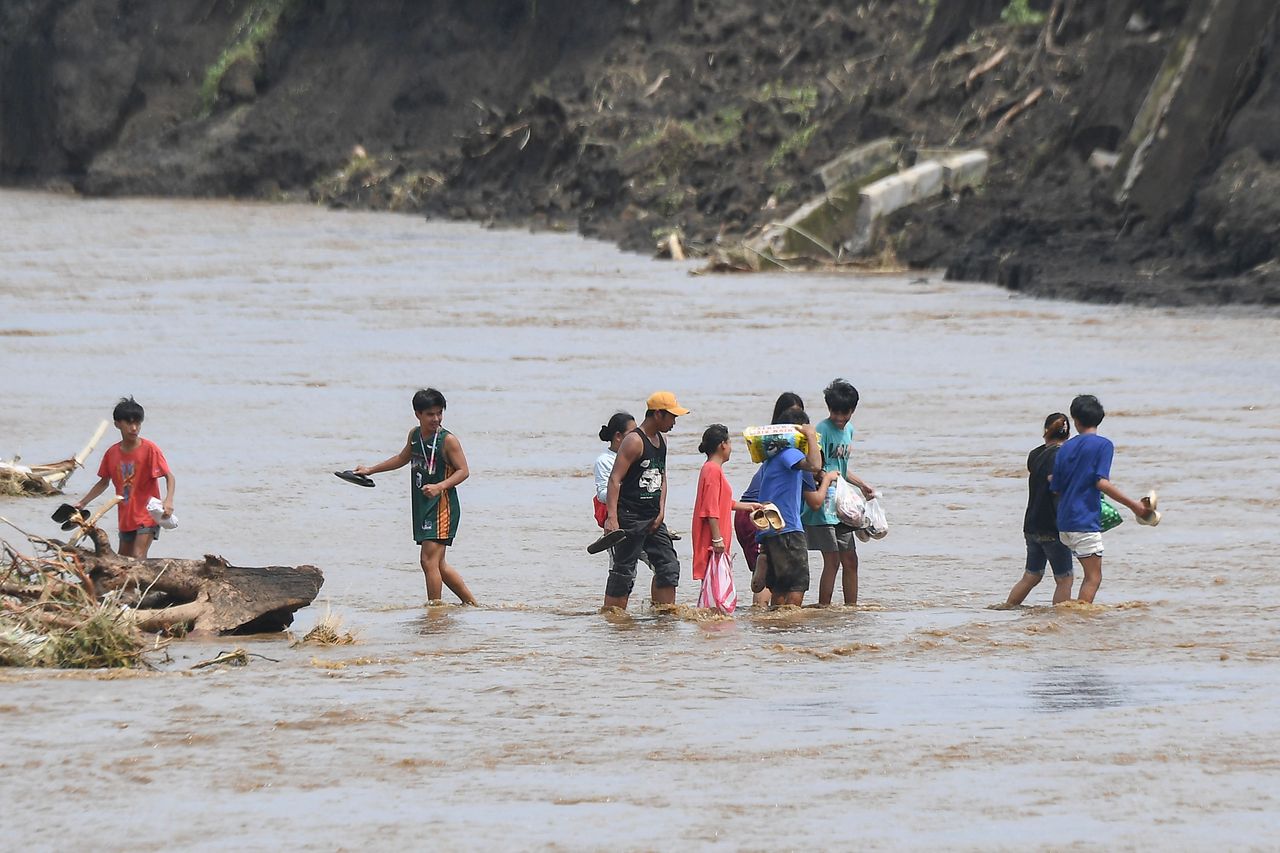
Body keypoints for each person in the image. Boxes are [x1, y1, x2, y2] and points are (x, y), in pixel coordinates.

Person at [355, 388, 477, 605]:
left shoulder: (448, 440)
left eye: (440, 413)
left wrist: (440, 486)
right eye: (430, 414)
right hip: (423, 506)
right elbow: (403, 458)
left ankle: (434, 611)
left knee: (427, 560)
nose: (436, 418)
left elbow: (463, 471)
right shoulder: (415, 435)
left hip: (442, 507)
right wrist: (370, 470)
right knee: (439, 565)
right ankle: (473, 604)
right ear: (417, 414)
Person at [1052, 395, 1160, 604]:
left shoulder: (1065, 448)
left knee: (1071, 578)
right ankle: (1081, 621)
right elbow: (1101, 482)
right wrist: (1136, 507)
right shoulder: (1103, 445)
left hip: (1064, 522)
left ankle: (1068, 620)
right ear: (1100, 418)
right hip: (1084, 521)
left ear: (1075, 420)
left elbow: (1056, 488)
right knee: (1093, 577)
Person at [602, 391, 688, 610]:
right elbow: (614, 479)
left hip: (653, 518)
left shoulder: (662, 440)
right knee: (624, 571)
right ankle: (613, 620)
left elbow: (662, 476)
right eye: (672, 417)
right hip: (630, 517)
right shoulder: (634, 441)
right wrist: (612, 518)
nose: (674, 422)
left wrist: (661, 511)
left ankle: (663, 617)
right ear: (658, 414)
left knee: (668, 565)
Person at [801, 379, 877, 606]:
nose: (839, 418)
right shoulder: (821, 431)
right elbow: (816, 468)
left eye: (844, 413)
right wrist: (826, 479)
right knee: (832, 560)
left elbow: (840, 468)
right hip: (825, 504)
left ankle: (850, 609)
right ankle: (825, 608)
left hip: (843, 505)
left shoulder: (849, 431)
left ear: (853, 410)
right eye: (834, 412)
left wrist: (862, 485)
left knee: (851, 560)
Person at [756, 407, 837, 606]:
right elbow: (815, 466)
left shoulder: (771, 458)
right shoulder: (789, 453)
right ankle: (790, 631)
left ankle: (776, 628)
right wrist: (810, 436)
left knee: (780, 587)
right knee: (795, 586)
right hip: (788, 529)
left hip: (772, 529)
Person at [75, 396, 175, 559]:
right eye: (129, 423)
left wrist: (168, 501)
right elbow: (103, 482)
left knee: (137, 557)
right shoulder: (112, 453)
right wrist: (83, 502)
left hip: (147, 515)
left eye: (138, 423)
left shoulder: (150, 449)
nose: (134, 428)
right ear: (117, 424)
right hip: (126, 517)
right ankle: (135, 586)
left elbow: (169, 477)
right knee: (122, 564)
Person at [735, 392, 804, 606]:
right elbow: (813, 486)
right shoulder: (791, 455)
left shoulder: (772, 452)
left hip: (751, 512)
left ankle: (763, 561)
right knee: (781, 582)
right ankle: (760, 614)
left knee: (772, 577)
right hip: (760, 513)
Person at [1005, 413, 1075, 606]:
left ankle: (1007, 608)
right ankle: (1060, 621)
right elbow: (1056, 483)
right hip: (1052, 526)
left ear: (1045, 431)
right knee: (1064, 579)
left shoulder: (1034, 454)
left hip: (1031, 525)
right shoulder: (1062, 455)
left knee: (1032, 575)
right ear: (1068, 433)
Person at [692, 424, 761, 588]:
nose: (731, 448)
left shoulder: (711, 468)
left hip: (717, 535)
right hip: (712, 537)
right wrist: (717, 539)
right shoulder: (712, 470)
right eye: (729, 443)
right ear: (722, 445)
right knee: (715, 586)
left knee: (715, 584)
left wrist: (749, 506)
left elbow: (721, 502)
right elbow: (710, 508)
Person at [593, 412, 635, 528]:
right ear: (618, 436)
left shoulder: (637, 455)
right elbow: (601, 495)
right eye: (631, 434)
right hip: (619, 516)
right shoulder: (604, 460)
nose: (636, 438)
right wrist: (628, 489)